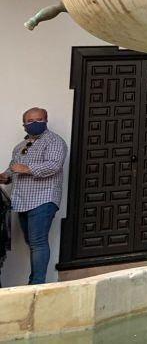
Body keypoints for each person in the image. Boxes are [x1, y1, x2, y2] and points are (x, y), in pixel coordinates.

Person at [0, 108, 68, 285]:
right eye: (30, 121)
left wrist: (27, 169)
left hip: (43, 199)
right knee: (31, 241)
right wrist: (4, 177)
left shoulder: (54, 141)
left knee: (38, 241)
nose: (35, 123)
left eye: (39, 119)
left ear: (46, 120)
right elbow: (12, 170)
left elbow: (53, 166)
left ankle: (37, 283)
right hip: (22, 201)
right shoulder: (20, 147)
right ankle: (34, 281)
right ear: (24, 125)